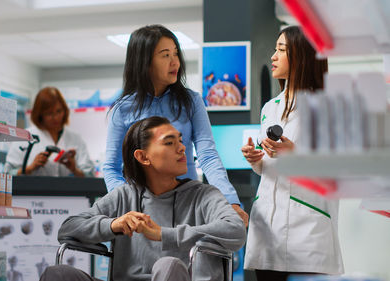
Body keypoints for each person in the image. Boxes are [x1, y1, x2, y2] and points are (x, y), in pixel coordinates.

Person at [40, 116, 246, 281]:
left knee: (169, 265)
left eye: (180, 141)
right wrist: (113, 225)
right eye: (169, 142)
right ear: (143, 157)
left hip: (176, 276)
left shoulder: (203, 195)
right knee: (56, 274)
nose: (182, 148)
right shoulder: (124, 195)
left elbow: (235, 229)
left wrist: (164, 234)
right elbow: (67, 228)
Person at [102, 24, 248, 226]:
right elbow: (111, 168)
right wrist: (128, 206)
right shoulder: (123, 109)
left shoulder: (191, 101)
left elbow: (207, 155)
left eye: (176, 53)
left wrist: (229, 201)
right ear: (145, 62)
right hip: (141, 214)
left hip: (186, 205)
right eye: (165, 55)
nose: (175, 62)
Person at [241, 26, 344, 281]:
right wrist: (256, 160)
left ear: (302, 56)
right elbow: (269, 164)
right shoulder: (269, 108)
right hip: (267, 227)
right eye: (275, 50)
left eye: (281, 50)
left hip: (307, 229)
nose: (273, 56)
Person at [6, 87, 94, 177]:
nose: (55, 117)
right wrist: (30, 168)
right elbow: (8, 173)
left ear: (65, 110)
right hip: (33, 191)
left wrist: (74, 169)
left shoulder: (75, 138)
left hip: (67, 190)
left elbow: (90, 175)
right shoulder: (24, 137)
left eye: (59, 111)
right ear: (40, 114)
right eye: (49, 113)